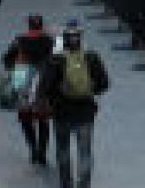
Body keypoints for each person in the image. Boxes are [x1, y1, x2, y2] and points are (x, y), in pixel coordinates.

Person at [39, 21, 109, 188]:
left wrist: (51, 100)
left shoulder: (56, 60)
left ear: (64, 39)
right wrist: (91, 91)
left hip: (62, 112)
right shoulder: (91, 57)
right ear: (81, 38)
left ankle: (66, 184)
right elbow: (104, 83)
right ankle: (84, 185)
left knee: (63, 151)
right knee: (84, 153)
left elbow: (45, 87)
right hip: (85, 112)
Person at [1, 14, 56, 165]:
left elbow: (6, 59)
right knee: (43, 119)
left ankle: (33, 149)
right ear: (41, 26)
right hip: (43, 81)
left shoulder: (19, 40)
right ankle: (42, 152)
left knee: (25, 117)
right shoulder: (50, 41)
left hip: (22, 78)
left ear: (29, 26)